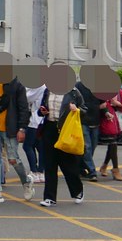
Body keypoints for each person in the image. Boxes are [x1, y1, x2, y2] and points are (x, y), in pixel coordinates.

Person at [0, 74, 35, 203]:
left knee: (13, 159)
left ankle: (27, 181)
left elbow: (23, 108)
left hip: (11, 129)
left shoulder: (17, 85)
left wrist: (22, 128)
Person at [38, 66, 86, 207]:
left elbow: (85, 110)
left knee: (68, 165)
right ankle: (49, 197)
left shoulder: (73, 92)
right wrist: (43, 111)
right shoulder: (47, 91)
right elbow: (41, 110)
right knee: (50, 164)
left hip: (65, 130)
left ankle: (78, 191)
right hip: (49, 129)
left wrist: (76, 109)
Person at [99, 88, 122, 181]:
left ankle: (106, 167)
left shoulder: (120, 92)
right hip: (104, 120)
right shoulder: (101, 91)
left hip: (115, 122)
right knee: (112, 144)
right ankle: (114, 169)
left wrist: (117, 103)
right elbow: (99, 104)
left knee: (112, 144)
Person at [75, 79, 101, 181]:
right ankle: (92, 172)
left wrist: (106, 112)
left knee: (92, 147)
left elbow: (103, 102)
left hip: (95, 121)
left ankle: (81, 168)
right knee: (87, 147)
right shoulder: (78, 86)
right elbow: (74, 100)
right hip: (83, 120)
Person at [24, 84, 47, 183]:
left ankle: (34, 171)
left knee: (27, 145)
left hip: (36, 120)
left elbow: (27, 98)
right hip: (44, 120)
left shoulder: (40, 86)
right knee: (41, 146)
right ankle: (41, 172)